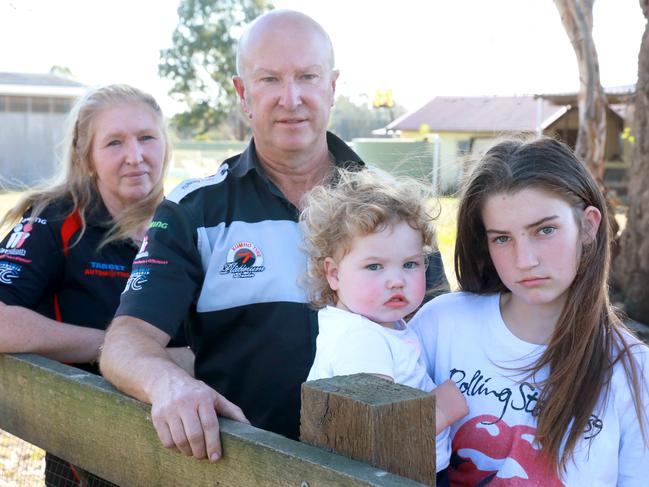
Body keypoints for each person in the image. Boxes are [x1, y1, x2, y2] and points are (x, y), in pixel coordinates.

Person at [100, 9, 448, 463]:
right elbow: (125, 341)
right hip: (240, 468)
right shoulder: (193, 212)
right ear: (243, 94)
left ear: (332, 87)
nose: (291, 98)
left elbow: (443, 330)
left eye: (307, 76)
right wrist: (170, 383)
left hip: (386, 470)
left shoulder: (393, 204)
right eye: (269, 80)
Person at [410, 137, 649, 485]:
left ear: (588, 226)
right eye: (502, 238)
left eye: (545, 230)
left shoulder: (632, 368)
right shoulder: (440, 324)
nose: (525, 261)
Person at [0, 84, 190, 487]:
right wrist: (117, 351)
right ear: (87, 157)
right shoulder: (57, 219)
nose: (134, 156)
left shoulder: (186, 223)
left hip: (180, 450)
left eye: (146, 138)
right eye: (114, 143)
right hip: (86, 456)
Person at [300, 169, 467, 482]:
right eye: (374, 266)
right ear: (333, 274)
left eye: (410, 264)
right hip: (391, 477)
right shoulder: (362, 340)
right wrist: (444, 408)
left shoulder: (373, 325)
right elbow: (375, 428)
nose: (396, 280)